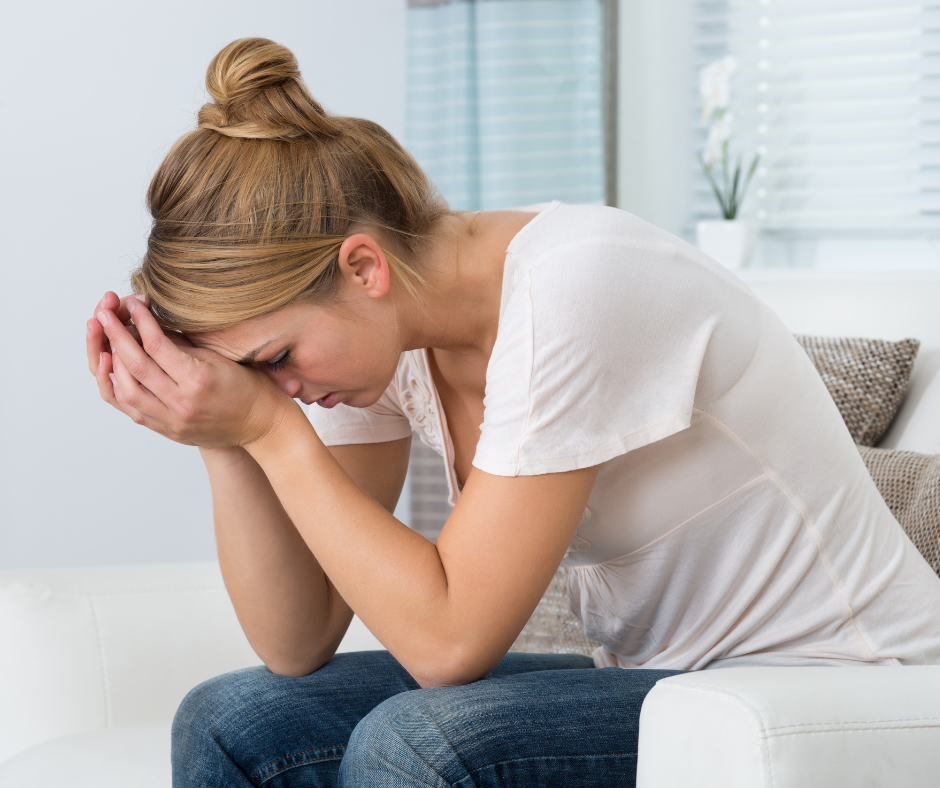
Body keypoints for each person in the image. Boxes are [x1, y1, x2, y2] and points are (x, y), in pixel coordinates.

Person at [85, 38, 940, 788]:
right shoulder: (372, 338)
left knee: (421, 743)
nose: (283, 390)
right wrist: (217, 433)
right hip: (670, 683)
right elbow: (297, 639)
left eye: (274, 360)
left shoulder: (577, 278)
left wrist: (268, 432)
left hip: (840, 688)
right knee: (235, 720)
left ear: (363, 267)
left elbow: (449, 643)